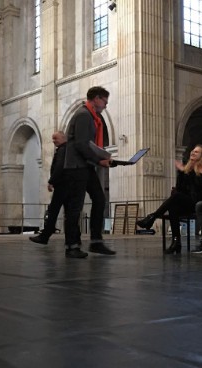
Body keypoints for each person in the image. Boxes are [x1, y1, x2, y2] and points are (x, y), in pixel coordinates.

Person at [61, 86, 116, 258]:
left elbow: (87, 144)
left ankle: (96, 241)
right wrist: (100, 159)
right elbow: (82, 144)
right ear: (96, 98)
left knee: (99, 199)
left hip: (85, 165)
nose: (105, 106)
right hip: (77, 167)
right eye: (104, 101)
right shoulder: (84, 115)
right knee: (75, 207)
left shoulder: (92, 117)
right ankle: (72, 245)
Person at [136, 145, 202, 254]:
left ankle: (152, 217)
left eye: (196, 152)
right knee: (173, 208)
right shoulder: (187, 170)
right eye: (192, 151)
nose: (192, 153)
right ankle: (176, 242)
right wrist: (182, 173)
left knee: (176, 198)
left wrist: (199, 174)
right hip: (190, 203)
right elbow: (180, 190)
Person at [30, 131, 68, 245]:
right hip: (66, 184)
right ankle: (75, 238)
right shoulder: (65, 149)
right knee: (67, 212)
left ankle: (45, 235)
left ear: (63, 138)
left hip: (62, 185)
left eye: (55, 138)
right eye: (52, 138)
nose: (53, 141)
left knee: (53, 210)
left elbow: (59, 166)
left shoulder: (62, 150)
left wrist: (52, 181)